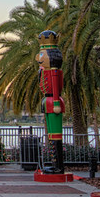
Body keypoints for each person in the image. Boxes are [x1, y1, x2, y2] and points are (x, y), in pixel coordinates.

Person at [37, 30, 65, 174]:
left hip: (53, 102)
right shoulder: (44, 70)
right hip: (47, 101)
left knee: (56, 135)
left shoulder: (54, 71)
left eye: (43, 54)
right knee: (51, 135)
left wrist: (55, 103)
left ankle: (58, 165)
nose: (39, 57)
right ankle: (54, 164)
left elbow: (55, 86)